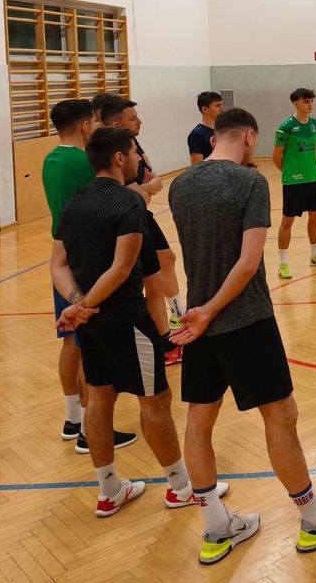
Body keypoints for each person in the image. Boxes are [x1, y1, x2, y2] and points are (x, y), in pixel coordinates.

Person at [169, 108, 316, 565]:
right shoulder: (250, 183)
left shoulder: (181, 184)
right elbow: (246, 263)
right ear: (248, 136)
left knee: (199, 422)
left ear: (214, 138)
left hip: (196, 320)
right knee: (281, 417)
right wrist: (213, 311)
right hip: (243, 319)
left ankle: (216, 528)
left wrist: (201, 313)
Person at [50, 127, 224, 517]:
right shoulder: (129, 202)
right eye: (133, 153)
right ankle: (181, 488)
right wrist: (85, 305)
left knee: (99, 399)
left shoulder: (74, 201)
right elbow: (121, 268)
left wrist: (78, 305)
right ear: (118, 158)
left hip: (91, 326)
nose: (137, 160)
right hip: (127, 320)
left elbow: (57, 264)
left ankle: (109, 490)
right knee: (156, 401)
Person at [42, 98, 136, 454]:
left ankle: (73, 419)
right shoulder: (82, 161)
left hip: (63, 257)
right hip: (88, 260)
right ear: (85, 125)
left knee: (71, 343)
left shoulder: (51, 159)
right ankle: (88, 429)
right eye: (93, 124)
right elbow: (114, 195)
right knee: (87, 347)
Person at [102, 98, 185, 365]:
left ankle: (176, 318)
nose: (140, 121)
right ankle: (162, 342)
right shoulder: (110, 152)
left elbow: (155, 182)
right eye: (133, 118)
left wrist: (143, 190)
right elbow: (134, 192)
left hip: (143, 215)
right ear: (117, 124)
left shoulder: (134, 145)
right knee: (148, 280)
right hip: (130, 221)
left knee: (166, 260)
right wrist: (143, 191)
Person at [272, 88, 316, 277]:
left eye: (312, 101)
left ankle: (315, 255)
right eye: (306, 101)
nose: (310, 104)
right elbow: (276, 156)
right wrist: (290, 173)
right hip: (293, 182)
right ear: (295, 103)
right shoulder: (286, 127)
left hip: (313, 179)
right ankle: (283, 264)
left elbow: (313, 148)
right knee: (287, 220)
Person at [188, 91, 224, 165]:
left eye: (221, 105)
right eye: (217, 106)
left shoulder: (223, 130)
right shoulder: (197, 134)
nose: (222, 109)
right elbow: (197, 167)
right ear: (205, 109)